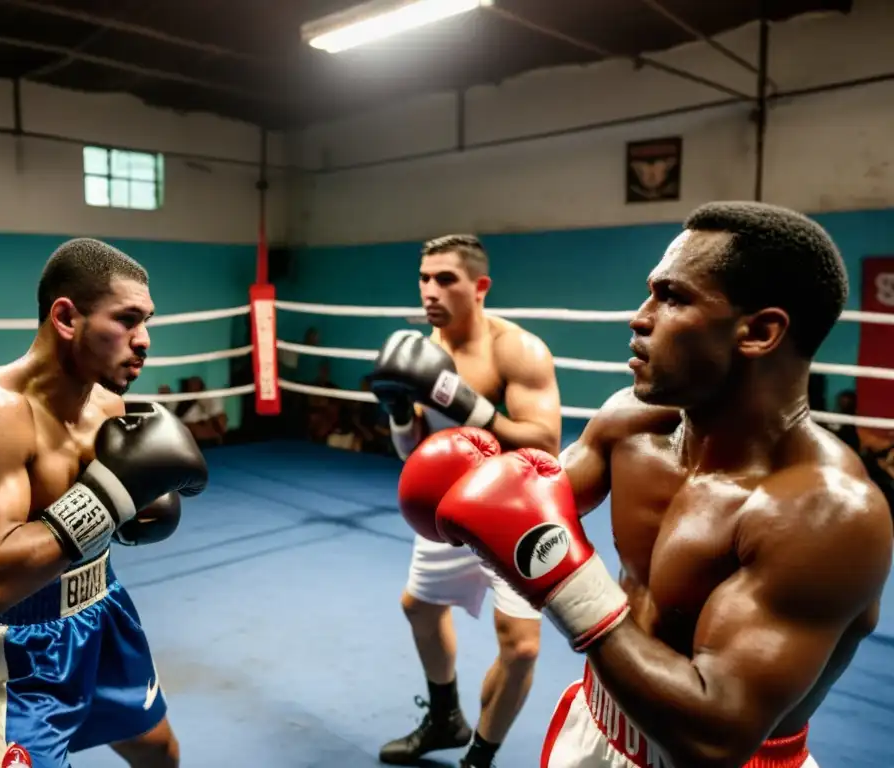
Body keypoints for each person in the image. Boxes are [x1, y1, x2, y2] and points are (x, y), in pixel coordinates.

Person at [398, 202, 894, 768]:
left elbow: (714, 738)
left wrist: (564, 580)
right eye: (650, 292)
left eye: (673, 297)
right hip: (596, 725)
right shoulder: (630, 422)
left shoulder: (827, 515)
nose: (639, 316)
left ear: (758, 331)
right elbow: (508, 505)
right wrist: (461, 473)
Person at [0, 238, 209, 768]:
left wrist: (137, 508)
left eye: (146, 321)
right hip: (16, 648)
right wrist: (110, 499)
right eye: (127, 320)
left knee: (159, 751)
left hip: (102, 610)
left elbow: (112, 519)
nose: (144, 340)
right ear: (66, 317)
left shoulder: (108, 403)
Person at [369, 234, 563, 767]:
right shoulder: (422, 352)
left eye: (446, 279)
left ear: (480, 287)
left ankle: (480, 756)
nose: (430, 291)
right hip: (450, 506)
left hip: (518, 512)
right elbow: (414, 451)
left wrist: (466, 404)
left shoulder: (516, 350)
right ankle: (445, 719)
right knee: (420, 610)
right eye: (424, 278)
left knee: (521, 649)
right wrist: (399, 412)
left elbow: (545, 445)